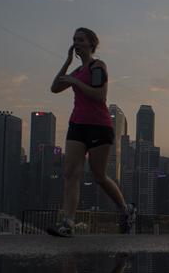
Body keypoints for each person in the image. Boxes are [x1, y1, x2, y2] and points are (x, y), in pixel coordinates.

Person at [47, 28, 133, 237]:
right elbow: (54, 88)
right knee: (70, 173)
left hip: (99, 126)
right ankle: (68, 223)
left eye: (81, 40)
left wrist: (76, 82)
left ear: (91, 43)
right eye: (74, 40)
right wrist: (67, 63)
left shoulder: (97, 66)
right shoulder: (75, 71)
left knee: (99, 176)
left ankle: (125, 210)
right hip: (77, 124)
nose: (76, 43)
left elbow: (100, 95)